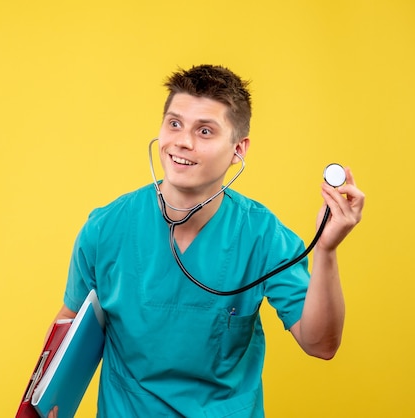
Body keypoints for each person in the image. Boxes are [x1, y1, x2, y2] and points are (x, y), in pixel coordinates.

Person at [46, 64, 365, 417]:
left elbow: (320, 343)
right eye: (175, 123)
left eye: (205, 131)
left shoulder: (262, 237)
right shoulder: (105, 229)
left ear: (238, 150)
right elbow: (71, 327)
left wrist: (326, 249)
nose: (183, 141)